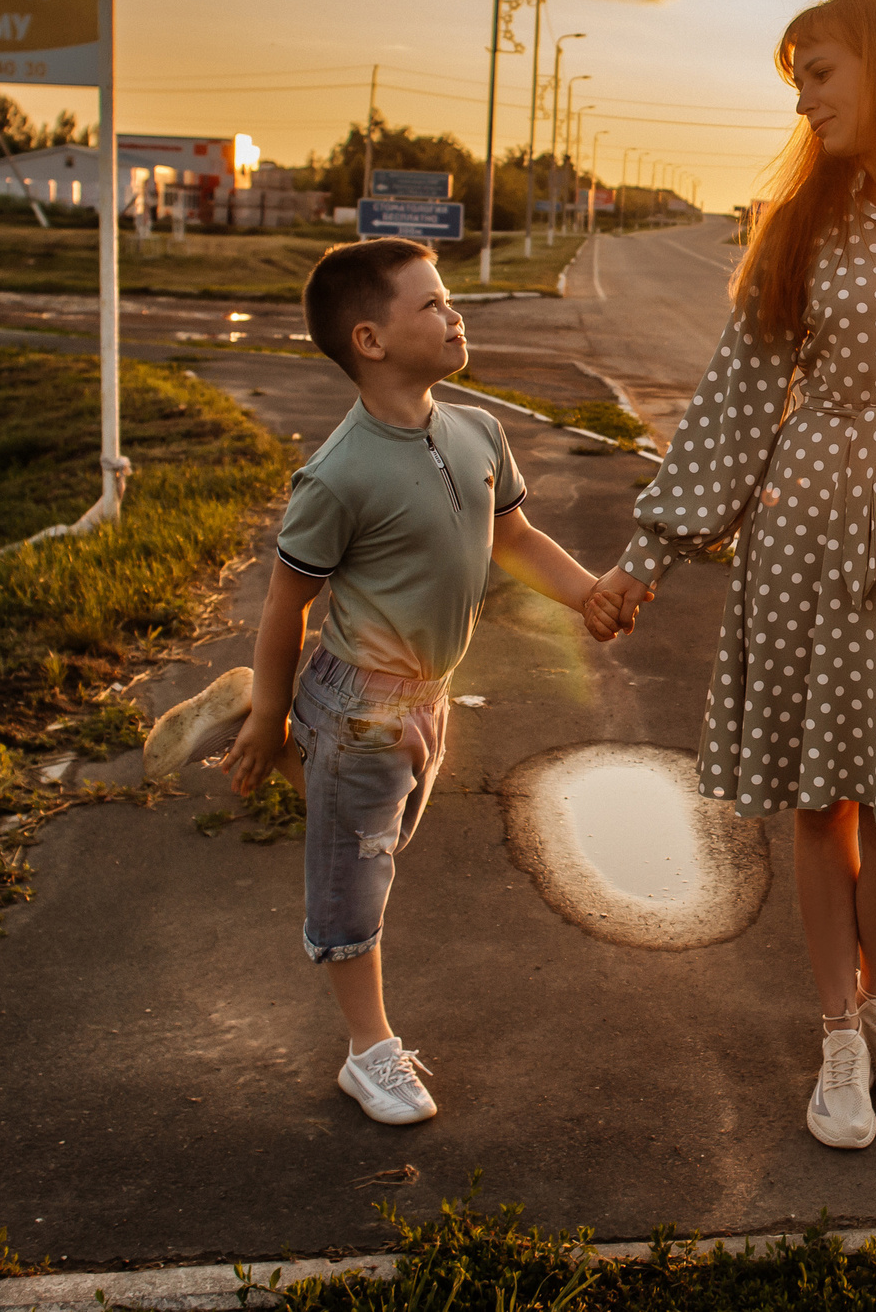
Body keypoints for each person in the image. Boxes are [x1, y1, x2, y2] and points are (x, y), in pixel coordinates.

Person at [588, 0, 876, 1151]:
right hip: (810, 534)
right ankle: (837, 1028)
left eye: (819, 74)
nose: (803, 101)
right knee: (824, 801)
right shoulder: (800, 219)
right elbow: (739, 400)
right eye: (796, 80)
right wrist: (651, 550)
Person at [219, 236, 623, 1126]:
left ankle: (275, 736)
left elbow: (511, 538)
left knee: (380, 844)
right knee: (355, 886)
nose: (454, 314)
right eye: (432, 304)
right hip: (360, 700)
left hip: (428, 699)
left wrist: (586, 592)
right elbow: (287, 603)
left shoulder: (477, 429)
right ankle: (369, 1053)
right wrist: (269, 710)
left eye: (449, 300)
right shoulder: (336, 474)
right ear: (370, 340)